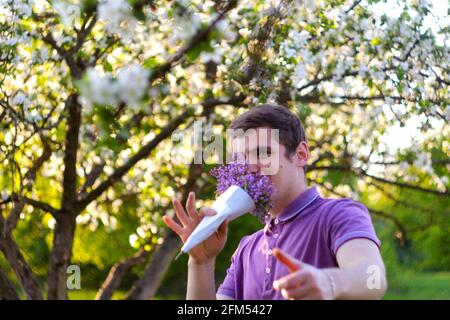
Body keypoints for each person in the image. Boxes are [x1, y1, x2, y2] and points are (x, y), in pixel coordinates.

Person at [163, 104, 387, 300]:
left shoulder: (339, 214)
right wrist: (201, 262)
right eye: (241, 159)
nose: (250, 167)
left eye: (262, 153)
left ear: (300, 154)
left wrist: (328, 282)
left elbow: (374, 279)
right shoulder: (246, 248)